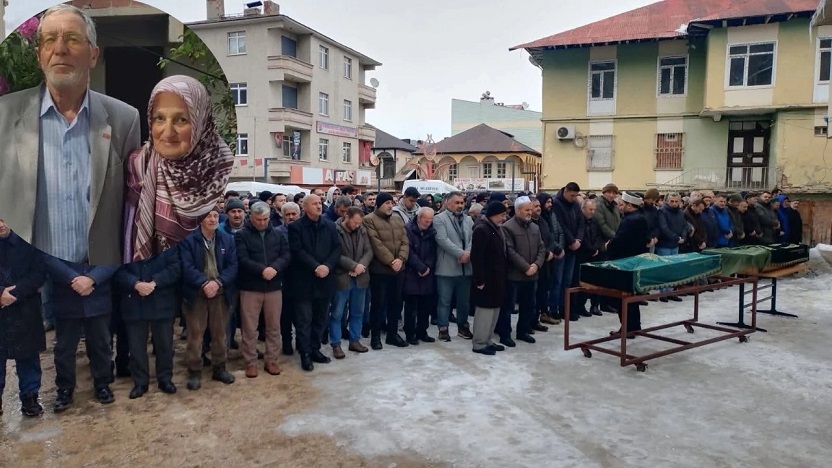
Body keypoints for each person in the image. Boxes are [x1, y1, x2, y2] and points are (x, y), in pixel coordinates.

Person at [0, 4, 141, 265]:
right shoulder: (4, 116)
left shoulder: (125, 120)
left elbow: (130, 212)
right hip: (25, 281)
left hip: (95, 283)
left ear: (93, 55)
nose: (60, 49)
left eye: (73, 39)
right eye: (49, 40)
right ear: (39, 55)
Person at [125, 75, 234, 262]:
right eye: (159, 118)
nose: (167, 132)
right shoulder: (139, 163)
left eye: (181, 120)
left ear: (201, 121)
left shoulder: (222, 167)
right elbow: (127, 235)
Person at [45, 254, 119, 412]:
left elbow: (115, 254)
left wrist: (92, 278)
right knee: (64, 348)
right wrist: (72, 278)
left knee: (101, 345)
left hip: (98, 292)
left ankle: (102, 384)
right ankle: (65, 389)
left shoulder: (103, 229)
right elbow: (47, 257)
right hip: (66, 293)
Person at [179, 208, 237, 390]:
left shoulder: (226, 239)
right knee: (195, 335)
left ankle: (219, 368)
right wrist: (204, 283)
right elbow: (185, 266)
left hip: (220, 293)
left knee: (220, 334)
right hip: (196, 294)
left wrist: (218, 282)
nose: (212, 219)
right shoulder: (188, 240)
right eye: (208, 216)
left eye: (215, 216)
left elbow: (233, 266)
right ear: (200, 219)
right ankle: (194, 371)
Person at [114, 244, 181, 399]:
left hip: (161, 299)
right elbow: (117, 271)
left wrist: (155, 282)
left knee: (164, 344)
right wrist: (135, 283)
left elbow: (176, 267)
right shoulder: (126, 241)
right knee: (136, 347)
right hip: (134, 300)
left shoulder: (166, 240)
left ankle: (165, 379)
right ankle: (140, 382)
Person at [235, 202, 291, 378]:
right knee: (249, 328)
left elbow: (286, 255)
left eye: (265, 219)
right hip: (251, 287)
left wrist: (275, 268)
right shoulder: (242, 235)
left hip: (274, 287)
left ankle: (271, 359)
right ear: (251, 217)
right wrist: (261, 270)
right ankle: (250, 362)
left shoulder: (278, 235)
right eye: (258, 219)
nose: (262, 223)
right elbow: (242, 258)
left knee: (274, 326)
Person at [288, 194, 341, 370]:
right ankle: (305, 353)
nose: (319, 206)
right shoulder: (296, 227)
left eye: (320, 203)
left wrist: (327, 266)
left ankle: (315, 349)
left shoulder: (330, 225)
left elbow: (336, 248)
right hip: (304, 281)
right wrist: (315, 267)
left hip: (325, 280)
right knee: (304, 321)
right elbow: (297, 251)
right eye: (315, 204)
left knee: (320, 319)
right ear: (305, 207)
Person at [0, 219, 47, 417]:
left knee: (28, 355)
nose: (0, 224)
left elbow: (39, 272)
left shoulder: (29, 241)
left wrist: (16, 294)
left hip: (25, 305)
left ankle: (30, 396)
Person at [496, 196, 546, 346]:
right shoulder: (507, 227)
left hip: (532, 275)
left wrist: (536, 265)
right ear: (517, 210)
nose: (530, 212)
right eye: (527, 210)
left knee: (529, 305)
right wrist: (526, 267)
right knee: (508, 307)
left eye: (530, 209)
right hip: (514, 275)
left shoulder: (535, 227)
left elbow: (542, 248)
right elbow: (510, 251)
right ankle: (505, 334)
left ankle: (523, 331)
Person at [364, 192, 410, 350]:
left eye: (392, 202)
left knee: (396, 304)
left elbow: (405, 241)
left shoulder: (397, 219)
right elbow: (376, 244)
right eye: (387, 203)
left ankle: (392, 334)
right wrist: (391, 261)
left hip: (398, 270)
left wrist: (401, 259)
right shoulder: (369, 220)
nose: (390, 206)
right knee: (378, 305)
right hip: (380, 271)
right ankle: (375, 337)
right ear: (379, 204)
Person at [331, 207, 374, 357]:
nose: (357, 225)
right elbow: (335, 253)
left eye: (359, 223)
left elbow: (369, 251)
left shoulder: (362, 230)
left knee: (358, 311)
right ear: (346, 217)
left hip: (360, 277)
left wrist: (360, 266)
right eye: (355, 222)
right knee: (337, 313)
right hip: (342, 277)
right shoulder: (335, 230)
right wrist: (353, 266)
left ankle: (354, 340)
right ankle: (336, 344)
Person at [606, 192, 650, 337]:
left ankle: (628, 328)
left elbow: (620, 240)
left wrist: (609, 245)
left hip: (624, 264)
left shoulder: (631, 220)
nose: (621, 207)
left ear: (630, 205)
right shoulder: (641, 218)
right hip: (635, 262)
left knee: (623, 298)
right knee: (632, 298)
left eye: (623, 204)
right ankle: (634, 326)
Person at [433, 191, 474, 342]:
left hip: (465, 268)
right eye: (457, 203)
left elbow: (472, 238)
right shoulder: (439, 219)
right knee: (444, 301)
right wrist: (460, 254)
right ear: (447, 203)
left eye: (462, 203)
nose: (460, 205)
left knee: (464, 301)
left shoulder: (468, 220)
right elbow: (442, 240)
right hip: (446, 268)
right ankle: (443, 329)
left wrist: (468, 253)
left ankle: (463, 327)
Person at [470, 202, 509, 355]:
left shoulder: (496, 229)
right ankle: (479, 343)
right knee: (484, 313)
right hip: (486, 280)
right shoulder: (482, 230)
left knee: (494, 311)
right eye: (502, 215)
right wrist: (479, 280)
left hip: (497, 278)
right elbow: (477, 257)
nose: (504, 218)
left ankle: (487, 340)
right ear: (493, 214)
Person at [403, 207, 438, 345]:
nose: (428, 223)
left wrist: (427, 267)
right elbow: (408, 251)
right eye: (426, 220)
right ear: (419, 218)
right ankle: (410, 333)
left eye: (430, 220)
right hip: (412, 272)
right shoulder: (408, 229)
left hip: (427, 274)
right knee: (411, 307)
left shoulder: (432, 231)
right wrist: (419, 267)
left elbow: (434, 252)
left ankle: (422, 331)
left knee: (425, 306)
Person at [276, 202, 301, 355]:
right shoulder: (277, 232)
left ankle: (301, 341)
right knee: (285, 314)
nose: (291, 217)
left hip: (302, 278)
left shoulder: (304, 230)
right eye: (288, 214)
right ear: (282, 216)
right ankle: (286, 342)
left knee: (301, 315)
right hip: (283, 278)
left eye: (294, 214)